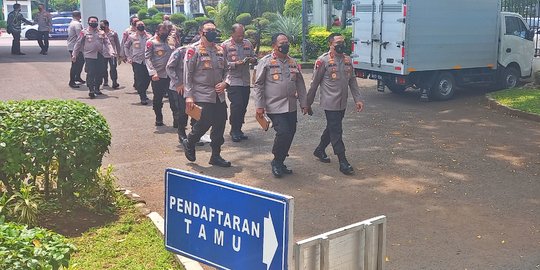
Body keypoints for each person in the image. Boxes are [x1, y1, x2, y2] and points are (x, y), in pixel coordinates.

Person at [307, 33, 364, 175]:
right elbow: (314, 84)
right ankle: (343, 161)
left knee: (332, 128)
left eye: (343, 42)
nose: (341, 45)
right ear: (330, 44)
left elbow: (352, 80)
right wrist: (307, 103)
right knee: (337, 130)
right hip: (329, 102)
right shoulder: (323, 61)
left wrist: (358, 99)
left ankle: (320, 150)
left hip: (342, 102)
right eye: (338, 42)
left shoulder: (347, 60)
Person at [253, 33, 309, 178]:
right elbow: (258, 85)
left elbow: (300, 84)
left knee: (290, 133)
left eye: (287, 43)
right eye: (282, 43)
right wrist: (259, 105)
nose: (285, 45)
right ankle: (277, 161)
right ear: (274, 45)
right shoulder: (265, 62)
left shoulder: (293, 62)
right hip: (274, 106)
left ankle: (281, 160)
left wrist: (304, 103)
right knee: (283, 132)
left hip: (290, 106)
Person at [181, 20, 231, 167]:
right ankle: (189, 141)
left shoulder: (220, 50)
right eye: (208, 30)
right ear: (201, 33)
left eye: (214, 30)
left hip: (219, 95)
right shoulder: (193, 50)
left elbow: (228, 70)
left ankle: (215, 156)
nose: (212, 33)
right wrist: (189, 96)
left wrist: (225, 83)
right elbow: (187, 74)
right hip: (201, 93)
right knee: (204, 122)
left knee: (220, 124)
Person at [221, 23, 257, 142]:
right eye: (238, 36)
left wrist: (252, 60)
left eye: (242, 35)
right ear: (232, 34)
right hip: (232, 80)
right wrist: (235, 64)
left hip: (245, 81)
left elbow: (254, 58)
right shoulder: (225, 45)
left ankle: (239, 129)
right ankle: (234, 130)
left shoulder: (248, 44)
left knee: (243, 106)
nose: (241, 38)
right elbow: (221, 63)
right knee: (237, 105)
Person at [72, 16, 115, 98]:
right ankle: (91, 89)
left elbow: (107, 43)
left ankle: (97, 88)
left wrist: (111, 52)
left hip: (100, 55)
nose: (94, 23)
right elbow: (78, 43)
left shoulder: (101, 32)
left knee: (100, 72)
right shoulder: (84, 32)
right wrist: (74, 54)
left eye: (95, 21)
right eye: (92, 21)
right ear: (88, 22)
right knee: (91, 73)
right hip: (89, 56)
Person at [145, 23, 175, 126]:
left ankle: (177, 119)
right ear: (157, 30)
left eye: (167, 31)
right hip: (158, 75)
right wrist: (153, 73)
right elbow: (148, 58)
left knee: (173, 98)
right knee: (158, 98)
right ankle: (159, 117)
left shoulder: (170, 41)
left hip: (170, 75)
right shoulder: (151, 42)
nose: (165, 33)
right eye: (163, 31)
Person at [166, 43, 190, 142]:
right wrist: (178, 83)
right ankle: (182, 133)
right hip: (179, 87)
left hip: (194, 87)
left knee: (196, 111)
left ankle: (195, 134)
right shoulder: (180, 51)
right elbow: (169, 67)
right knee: (183, 111)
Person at [124, 21, 152, 105]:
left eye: (142, 25)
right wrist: (128, 57)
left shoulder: (149, 37)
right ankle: (142, 96)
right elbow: (126, 46)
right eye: (139, 25)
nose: (141, 26)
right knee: (140, 79)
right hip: (137, 61)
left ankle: (143, 91)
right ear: (135, 27)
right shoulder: (132, 37)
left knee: (147, 78)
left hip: (147, 60)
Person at [99, 20, 121, 89]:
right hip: (102, 54)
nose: (101, 27)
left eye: (102, 25)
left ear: (107, 25)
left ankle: (114, 81)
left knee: (113, 68)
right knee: (103, 68)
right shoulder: (99, 33)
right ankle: (105, 81)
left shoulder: (113, 33)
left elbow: (117, 44)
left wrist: (119, 54)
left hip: (112, 54)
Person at [67, 11, 85, 88]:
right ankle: (72, 81)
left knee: (80, 62)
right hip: (75, 47)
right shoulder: (77, 24)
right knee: (75, 64)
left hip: (72, 46)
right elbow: (80, 36)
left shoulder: (72, 23)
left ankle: (77, 77)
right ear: (79, 16)